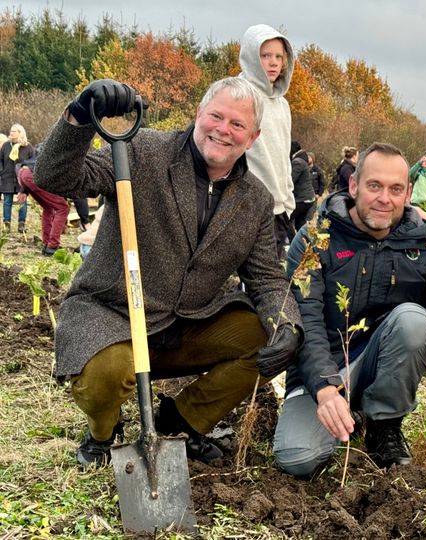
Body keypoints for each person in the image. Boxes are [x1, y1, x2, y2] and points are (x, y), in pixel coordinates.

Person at [35, 77, 303, 468]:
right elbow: (54, 177)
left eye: (237, 125)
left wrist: (287, 324)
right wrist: (79, 117)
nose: (222, 130)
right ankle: (103, 434)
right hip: (114, 316)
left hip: (186, 324)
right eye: (216, 116)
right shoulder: (141, 151)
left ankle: (180, 422)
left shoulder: (256, 200)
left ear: (254, 136)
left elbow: (266, 277)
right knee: (108, 373)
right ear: (199, 114)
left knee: (265, 336)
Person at [273, 142, 426, 476]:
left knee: (415, 321)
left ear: (407, 194)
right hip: (323, 369)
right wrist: (325, 388)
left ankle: (383, 425)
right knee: (297, 458)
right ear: (354, 186)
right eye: (374, 186)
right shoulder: (315, 239)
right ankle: (347, 412)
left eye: (396, 189)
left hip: (381, 361)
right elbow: (306, 322)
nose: (384, 199)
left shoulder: (424, 241)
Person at [239, 24, 296, 260]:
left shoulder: (282, 104)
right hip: (247, 205)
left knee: (272, 274)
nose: (273, 62)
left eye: (279, 57)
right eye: (265, 55)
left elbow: (284, 156)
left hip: (279, 207)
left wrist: (288, 198)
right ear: (252, 56)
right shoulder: (239, 94)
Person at [16, 150, 70, 256]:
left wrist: (24, 189)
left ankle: (47, 244)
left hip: (23, 172)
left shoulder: (52, 144)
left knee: (48, 208)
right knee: (63, 208)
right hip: (33, 175)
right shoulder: (68, 154)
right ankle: (52, 246)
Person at [0, 123, 35, 233]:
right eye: (11, 131)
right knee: (7, 202)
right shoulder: (6, 146)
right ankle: (7, 225)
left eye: (14, 131)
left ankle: (21, 224)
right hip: (7, 177)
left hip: (22, 180)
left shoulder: (28, 147)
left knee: (22, 202)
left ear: (20, 133)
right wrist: (2, 171)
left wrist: (27, 172)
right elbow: (0, 160)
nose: (11, 133)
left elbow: (33, 162)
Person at [289, 141, 316, 239]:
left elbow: (291, 180)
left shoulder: (297, 162)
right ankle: (304, 244)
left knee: (286, 219)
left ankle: (293, 244)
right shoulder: (302, 161)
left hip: (302, 199)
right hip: (307, 199)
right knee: (300, 223)